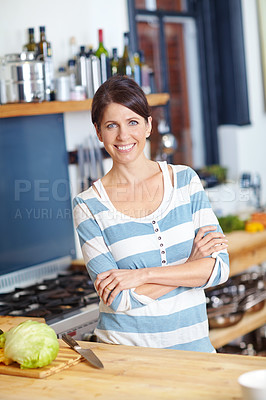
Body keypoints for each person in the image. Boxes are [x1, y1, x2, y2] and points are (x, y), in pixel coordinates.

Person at [73, 75, 229, 352]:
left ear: (148, 125)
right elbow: (119, 300)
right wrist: (188, 268)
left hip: (195, 349)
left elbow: (217, 269)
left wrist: (141, 276)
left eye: (133, 122)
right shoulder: (88, 205)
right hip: (127, 355)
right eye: (112, 126)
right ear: (99, 133)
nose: (123, 136)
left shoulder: (185, 181)